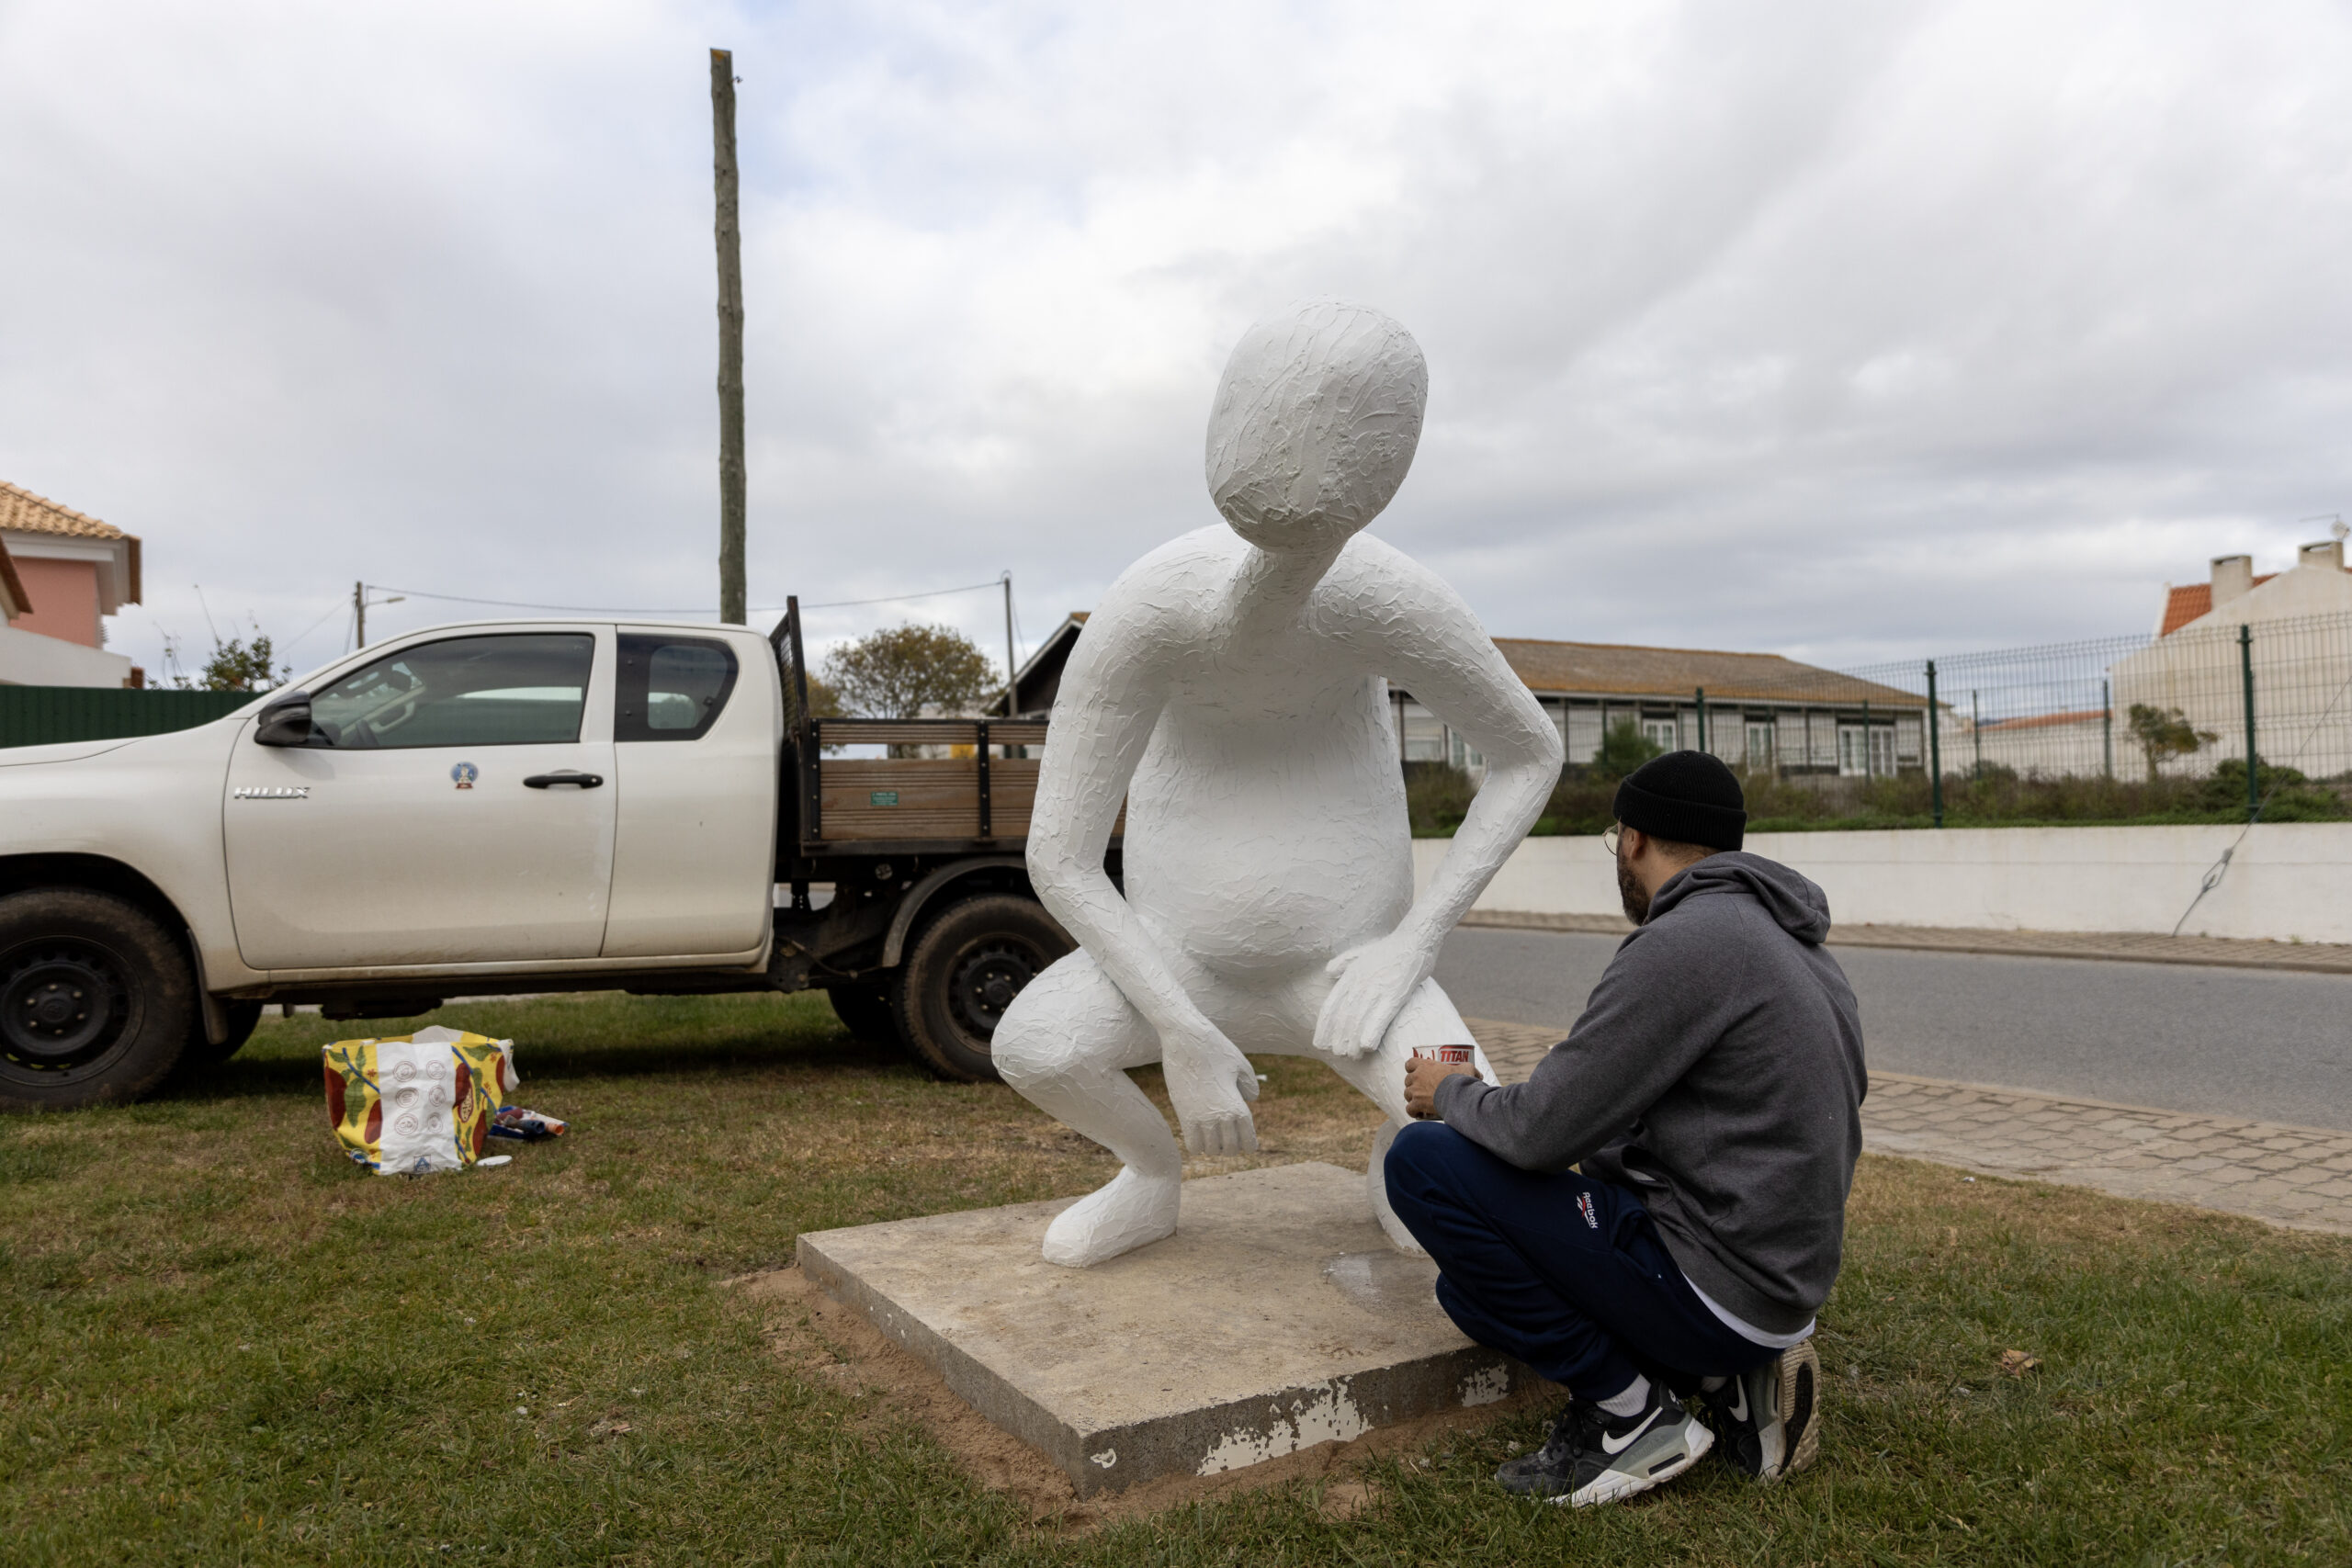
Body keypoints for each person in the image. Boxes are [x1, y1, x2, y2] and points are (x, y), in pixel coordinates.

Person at [992, 300, 1563, 1268]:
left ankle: (1399, 1156)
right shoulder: (1148, 612)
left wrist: (1408, 947)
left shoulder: (1384, 598)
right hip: (1176, 969)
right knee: (1035, 1043)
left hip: (1355, 977)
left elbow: (1528, 751)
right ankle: (1148, 1174)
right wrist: (1178, 1027)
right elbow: (1058, 854)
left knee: (1467, 1118)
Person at [1387, 750, 1866, 1508]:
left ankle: (1630, 1415)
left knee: (1422, 1160)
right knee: (1469, 1294)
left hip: (1716, 1282)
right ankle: (1729, 1381)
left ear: (1635, 839)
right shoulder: (1796, 944)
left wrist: (1451, 1093)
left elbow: (1545, 1132)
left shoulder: (1684, 943)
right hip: (1777, 1289)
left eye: (1618, 838)